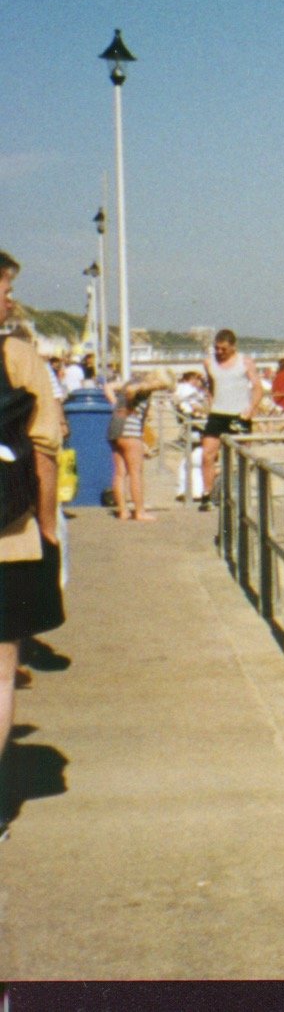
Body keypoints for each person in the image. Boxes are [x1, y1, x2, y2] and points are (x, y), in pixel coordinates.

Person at [1, 251, 67, 843]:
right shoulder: (19, 357)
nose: (11, 301)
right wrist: (47, 530)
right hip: (10, 535)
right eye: (5, 289)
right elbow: (44, 452)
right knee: (0, 672)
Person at [199, 329, 264, 511]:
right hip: (218, 414)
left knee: (242, 457)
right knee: (207, 454)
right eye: (217, 349)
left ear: (233, 347)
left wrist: (251, 409)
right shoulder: (209, 363)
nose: (219, 352)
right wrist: (211, 405)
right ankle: (207, 495)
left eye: (223, 349)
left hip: (239, 414)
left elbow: (258, 388)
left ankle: (240, 494)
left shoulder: (245, 362)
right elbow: (212, 386)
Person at [107, 373, 164, 522]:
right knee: (136, 473)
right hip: (130, 430)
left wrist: (116, 405)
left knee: (120, 473)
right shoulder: (144, 387)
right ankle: (139, 512)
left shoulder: (130, 382)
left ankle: (122, 511)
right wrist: (131, 405)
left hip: (115, 427)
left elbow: (108, 387)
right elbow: (132, 391)